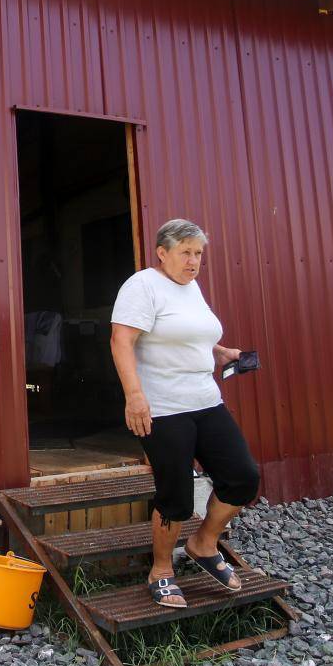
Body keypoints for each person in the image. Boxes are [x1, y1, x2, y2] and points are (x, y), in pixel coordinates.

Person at [109, 218, 261, 608]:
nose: (193, 262)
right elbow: (121, 340)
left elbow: (191, 333)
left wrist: (220, 352)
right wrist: (135, 396)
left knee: (242, 477)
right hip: (162, 407)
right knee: (175, 493)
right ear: (162, 253)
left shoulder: (191, 287)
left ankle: (203, 543)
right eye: (186, 253)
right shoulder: (142, 286)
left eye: (198, 254)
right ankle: (161, 570)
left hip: (205, 400)